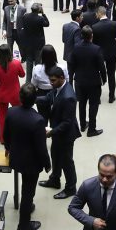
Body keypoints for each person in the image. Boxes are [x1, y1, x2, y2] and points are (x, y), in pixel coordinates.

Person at [3, 83, 51, 230]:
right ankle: (23, 225)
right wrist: (47, 163)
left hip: (16, 157)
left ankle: (27, 206)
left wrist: (8, 148)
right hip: (31, 163)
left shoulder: (11, 112)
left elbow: (6, 135)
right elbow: (41, 147)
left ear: (20, 97)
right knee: (28, 192)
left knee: (26, 190)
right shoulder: (38, 120)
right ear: (35, 99)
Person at [39, 66, 80, 199]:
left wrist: (51, 132)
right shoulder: (57, 88)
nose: (51, 83)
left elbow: (67, 123)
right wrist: (32, 97)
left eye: (54, 80)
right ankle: (55, 180)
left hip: (66, 135)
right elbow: (48, 98)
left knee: (67, 161)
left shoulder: (68, 97)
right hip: (57, 131)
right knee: (56, 156)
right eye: (50, 80)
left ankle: (71, 188)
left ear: (62, 78)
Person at [71, 26, 107, 137]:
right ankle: (91, 129)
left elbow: (72, 65)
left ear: (81, 35)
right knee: (93, 105)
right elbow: (102, 67)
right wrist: (104, 79)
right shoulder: (96, 49)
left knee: (81, 104)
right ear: (92, 36)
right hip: (93, 82)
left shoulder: (76, 47)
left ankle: (82, 125)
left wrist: (71, 78)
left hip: (80, 81)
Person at [0, 44, 25, 144]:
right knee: (18, 116)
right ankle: (18, 136)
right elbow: (22, 75)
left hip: (2, 95)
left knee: (2, 118)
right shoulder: (16, 63)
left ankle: (3, 139)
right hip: (15, 94)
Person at [31, 44, 69, 118]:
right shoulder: (61, 68)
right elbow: (66, 83)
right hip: (57, 94)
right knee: (57, 118)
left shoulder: (37, 68)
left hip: (41, 94)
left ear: (42, 56)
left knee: (42, 118)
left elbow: (33, 84)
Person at [93, 6, 116, 103]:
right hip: (111, 52)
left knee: (98, 74)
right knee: (111, 74)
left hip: (99, 53)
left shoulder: (95, 27)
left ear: (99, 13)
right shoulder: (114, 24)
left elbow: (94, 42)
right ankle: (111, 96)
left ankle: (98, 97)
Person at [20, 3, 50, 81]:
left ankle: (28, 81)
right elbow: (47, 24)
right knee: (38, 64)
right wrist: (43, 13)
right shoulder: (40, 18)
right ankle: (37, 81)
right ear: (39, 10)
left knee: (29, 63)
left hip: (28, 44)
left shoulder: (25, 16)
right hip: (38, 45)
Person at [62, 8, 83, 78]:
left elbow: (63, 40)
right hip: (74, 57)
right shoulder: (77, 29)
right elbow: (78, 45)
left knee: (69, 75)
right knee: (76, 76)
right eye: (81, 16)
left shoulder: (65, 26)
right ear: (77, 18)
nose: (82, 18)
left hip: (67, 54)